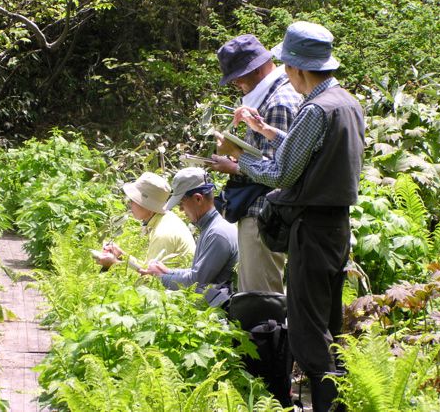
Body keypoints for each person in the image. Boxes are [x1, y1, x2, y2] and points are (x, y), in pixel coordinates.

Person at [216, 21, 364, 412]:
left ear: (298, 68)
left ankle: (326, 405)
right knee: (330, 323)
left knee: (307, 329)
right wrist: (266, 132)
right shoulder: (345, 102)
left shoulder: (315, 108)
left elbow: (281, 173)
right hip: (337, 226)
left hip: (311, 228)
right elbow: (309, 151)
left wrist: (239, 159)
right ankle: (338, 401)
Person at [209, 34, 302, 294]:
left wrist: (234, 160)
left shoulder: (279, 102)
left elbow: (279, 172)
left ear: (259, 68)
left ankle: (266, 336)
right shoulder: (272, 95)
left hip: (264, 213)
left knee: (260, 297)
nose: (236, 83)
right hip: (262, 212)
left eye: (239, 76)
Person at [141, 167, 238, 306]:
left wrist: (159, 277)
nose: (180, 209)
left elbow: (196, 282)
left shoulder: (217, 233)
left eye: (181, 203)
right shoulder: (211, 227)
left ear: (198, 199)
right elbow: (196, 273)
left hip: (219, 313)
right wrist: (168, 271)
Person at [95, 172, 195, 269]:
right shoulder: (166, 219)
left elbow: (150, 278)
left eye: (133, 200)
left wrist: (113, 263)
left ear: (147, 206)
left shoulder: (162, 233)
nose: (130, 204)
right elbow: (147, 268)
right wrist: (121, 255)